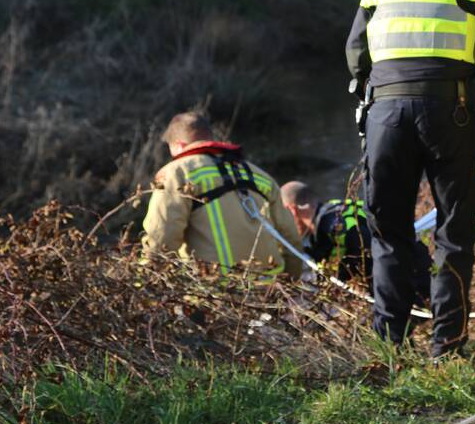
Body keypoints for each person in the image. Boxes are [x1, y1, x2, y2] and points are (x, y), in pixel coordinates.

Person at [345, 0, 475, 359]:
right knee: (454, 233)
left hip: (384, 113)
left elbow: (355, 51)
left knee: (388, 229)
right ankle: (445, 345)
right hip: (449, 111)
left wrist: (374, 94)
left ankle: (388, 343)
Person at [142, 112, 303, 278]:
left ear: (179, 145)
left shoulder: (177, 174)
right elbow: (291, 239)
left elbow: (161, 238)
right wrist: (292, 285)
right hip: (272, 293)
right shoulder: (259, 175)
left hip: (215, 296)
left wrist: (148, 284)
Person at [280, 180, 432, 301]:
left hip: (412, 280)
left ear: (291, 210)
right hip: (415, 269)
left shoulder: (334, 225)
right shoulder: (335, 212)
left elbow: (372, 252)